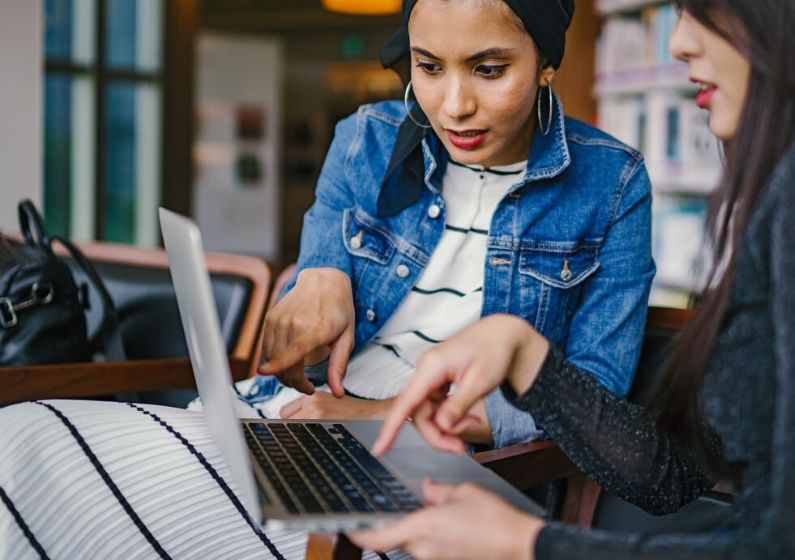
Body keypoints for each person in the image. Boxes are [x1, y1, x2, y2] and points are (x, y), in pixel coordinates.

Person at [0, 1, 656, 557]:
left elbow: (592, 403)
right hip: (286, 419)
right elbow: (309, 296)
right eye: (428, 67)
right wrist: (314, 276)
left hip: (436, 465)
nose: (453, 106)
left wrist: (370, 417)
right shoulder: (363, 140)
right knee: (21, 438)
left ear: (546, 61)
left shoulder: (613, 183)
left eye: (489, 70)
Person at [351, 0, 795, 558]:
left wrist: (528, 545)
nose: (680, 39)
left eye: (704, 7)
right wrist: (529, 361)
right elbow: (674, 477)